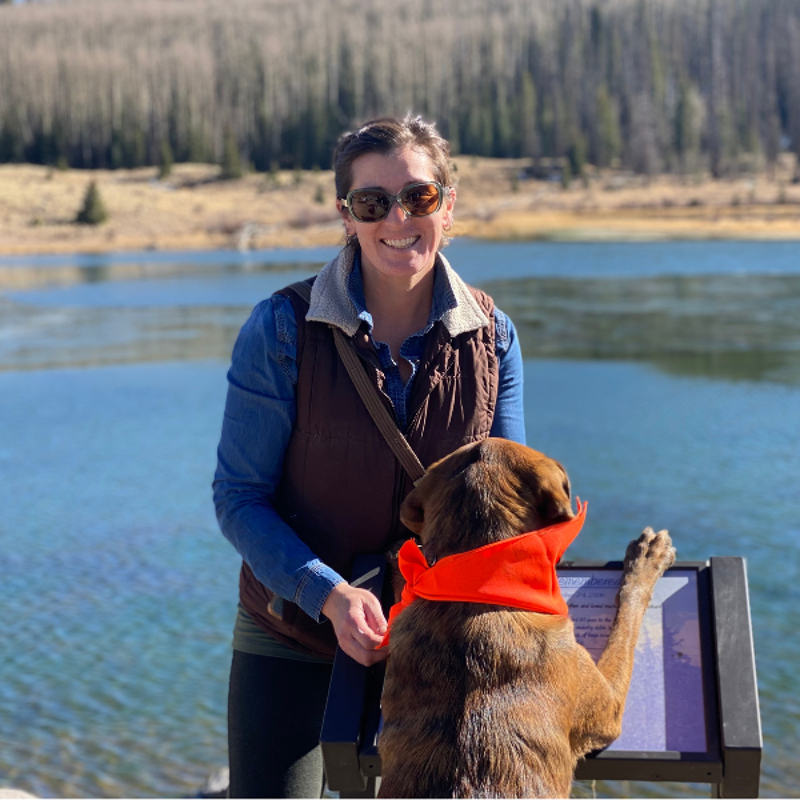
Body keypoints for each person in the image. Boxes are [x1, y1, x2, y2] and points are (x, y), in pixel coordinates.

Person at [212, 114, 526, 798]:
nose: (397, 219)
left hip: (438, 641)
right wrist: (327, 594)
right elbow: (239, 498)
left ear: (448, 204)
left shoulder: (494, 339)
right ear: (346, 215)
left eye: (418, 196)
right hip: (291, 629)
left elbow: (505, 515)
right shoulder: (280, 329)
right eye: (372, 202)